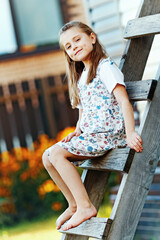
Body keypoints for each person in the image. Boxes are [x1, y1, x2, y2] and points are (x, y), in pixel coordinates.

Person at [42, 21, 143, 231]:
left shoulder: (105, 68)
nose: (74, 47)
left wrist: (130, 132)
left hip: (107, 135)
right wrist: (78, 131)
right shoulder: (81, 75)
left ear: (92, 37)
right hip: (91, 135)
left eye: (77, 39)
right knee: (47, 156)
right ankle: (73, 204)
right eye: (68, 46)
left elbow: (124, 101)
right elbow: (84, 109)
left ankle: (85, 206)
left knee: (57, 154)